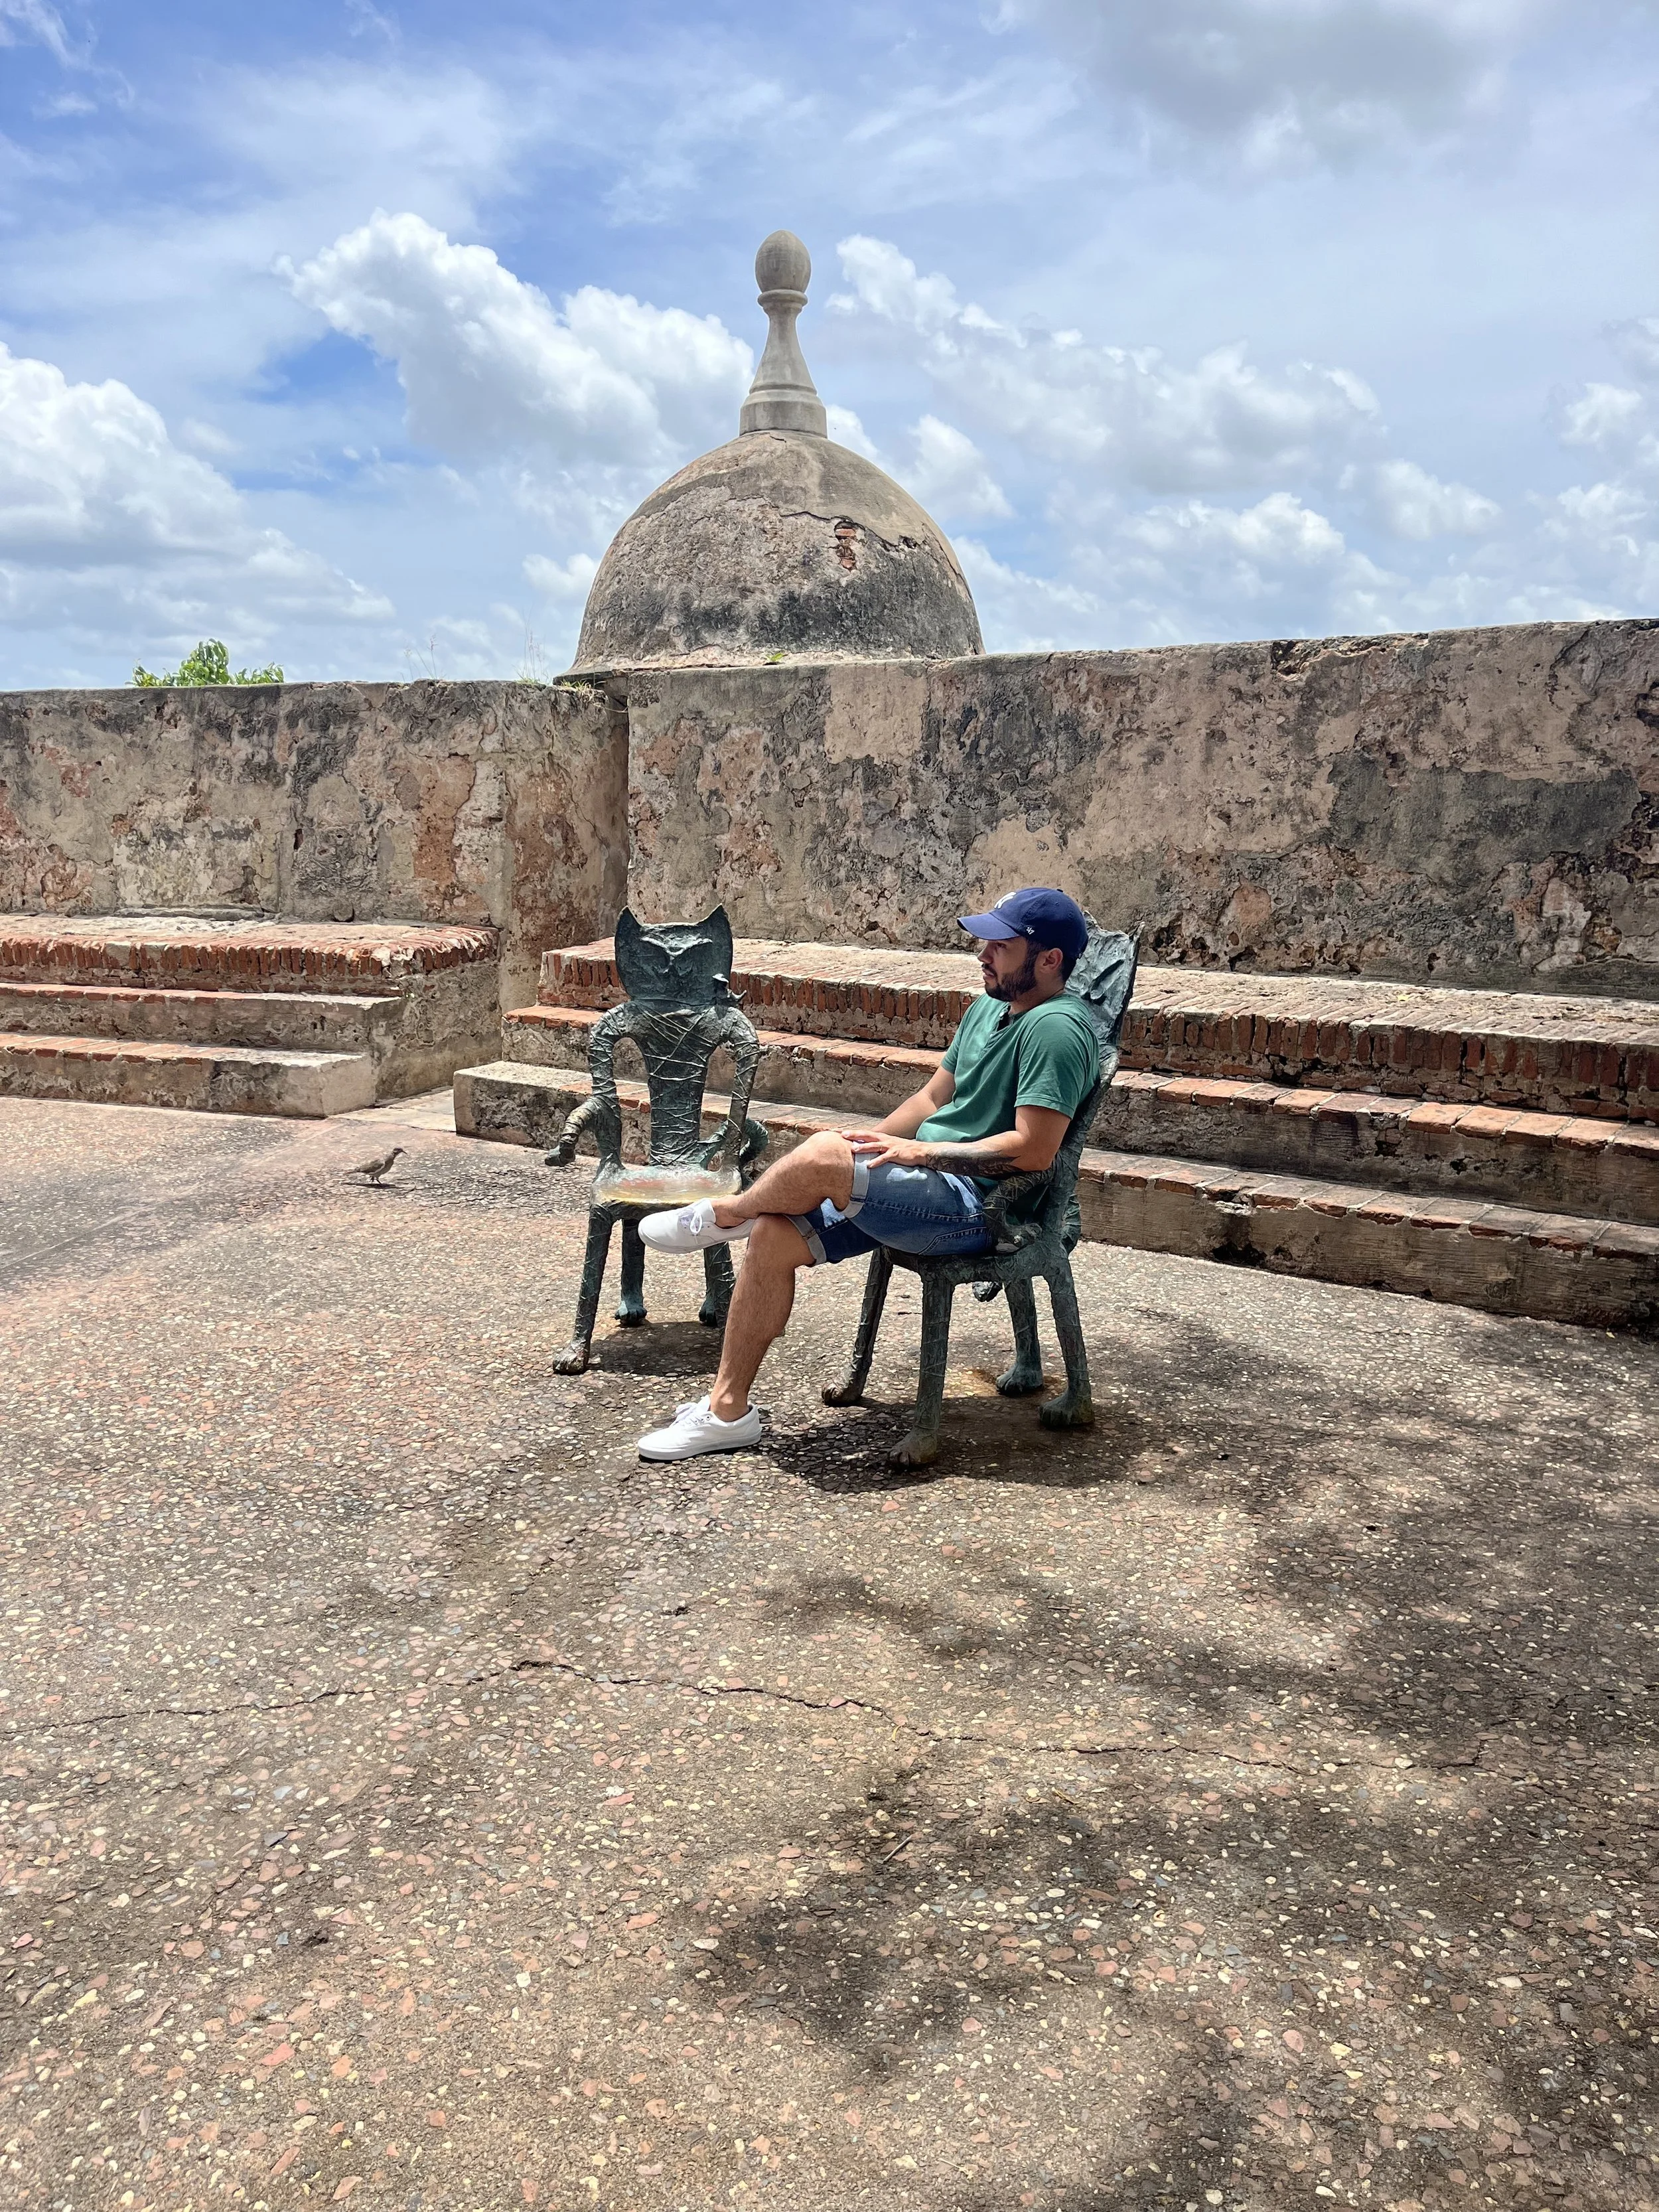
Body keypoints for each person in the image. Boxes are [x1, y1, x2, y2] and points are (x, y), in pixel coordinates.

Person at [632, 888, 1101, 1461]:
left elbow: (1034, 1151)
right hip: (919, 1188)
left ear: (1049, 959)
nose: (982, 953)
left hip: (978, 1208)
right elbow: (933, 1096)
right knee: (775, 1234)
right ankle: (728, 1411)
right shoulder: (988, 1009)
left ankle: (726, 1214)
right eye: (984, 941)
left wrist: (913, 1156)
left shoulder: (1057, 1030)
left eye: (1000, 946)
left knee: (818, 1162)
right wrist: (862, 1153)